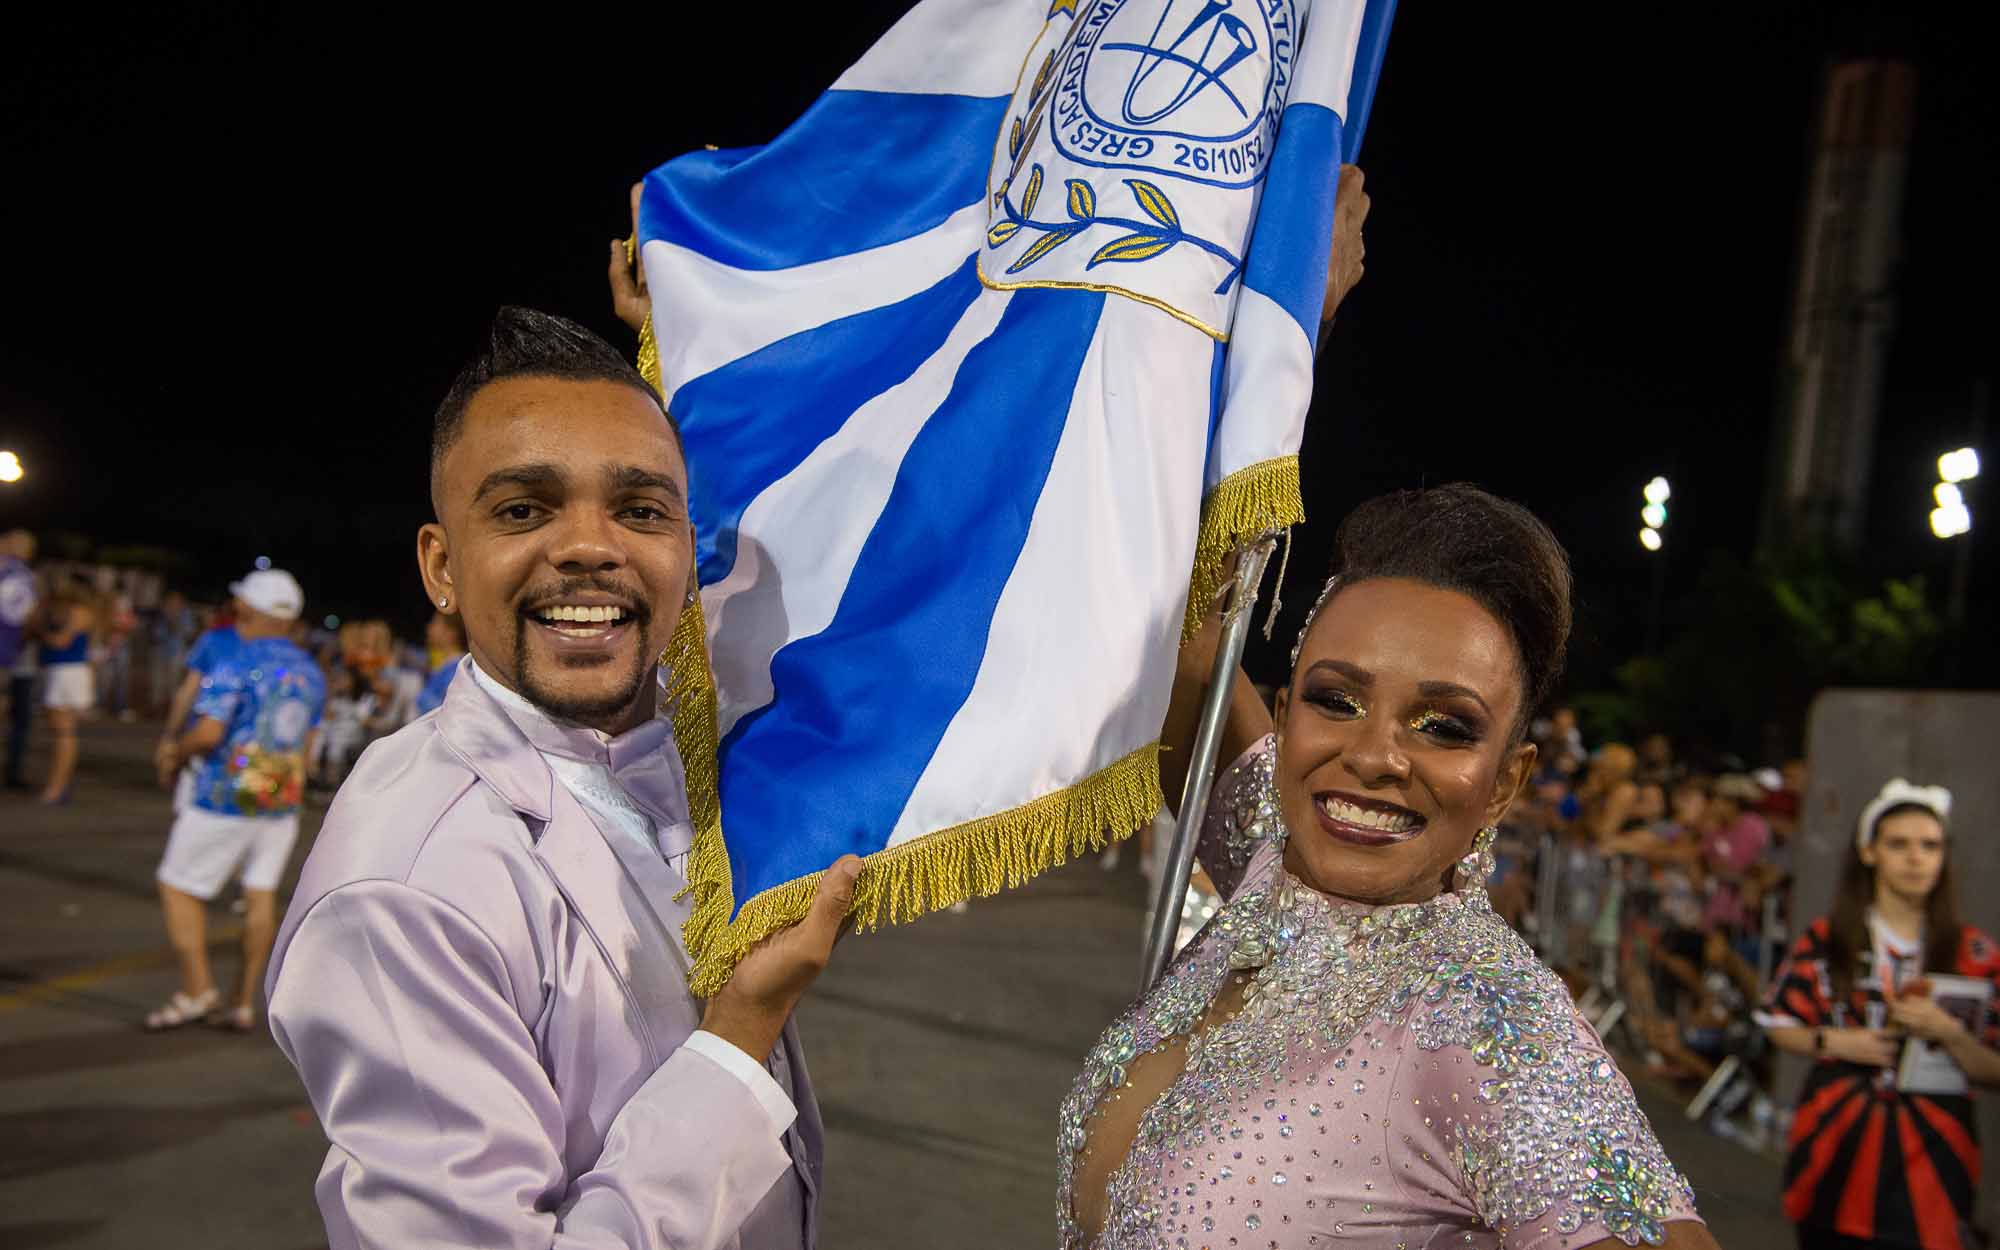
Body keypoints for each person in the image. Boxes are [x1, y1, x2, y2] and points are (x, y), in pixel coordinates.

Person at [265, 307, 860, 1249]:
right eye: (522, 509)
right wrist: (744, 1031)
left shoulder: (689, 753)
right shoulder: (406, 885)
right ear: (441, 566)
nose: (591, 546)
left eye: (641, 510)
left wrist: (702, 303)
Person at [1057, 485, 1713, 1249]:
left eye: (1444, 726)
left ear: (1506, 782)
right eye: (1336, 700)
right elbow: (1179, 631)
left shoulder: (1485, 1019)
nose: (1372, 757)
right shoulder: (1270, 869)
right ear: (1283, 717)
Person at [1756, 778, 2000, 1250]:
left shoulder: (1975, 953)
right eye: (1899, 844)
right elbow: (1778, 1021)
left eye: (1929, 846)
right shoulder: (1830, 939)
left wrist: (1949, 1033)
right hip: (1835, 1146)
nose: (1915, 858)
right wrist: (1835, 1042)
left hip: (1935, 1156)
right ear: (1869, 853)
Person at [145, 568, 325, 1031]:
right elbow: (306, 746)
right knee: (260, 892)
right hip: (280, 799)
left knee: (177, 885)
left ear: (248, 609)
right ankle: (244, 1002)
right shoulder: (311, 672)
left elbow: (207, 733)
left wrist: (174, 749)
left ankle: (197, 989)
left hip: (226, 797)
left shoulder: (237, 662)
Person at [36, 580, 95, 804]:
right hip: (62, 672)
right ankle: (58, 784)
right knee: (60, 731)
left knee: (64, 732)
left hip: (68, 673)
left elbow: (61, 641)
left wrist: (40, 631)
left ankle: (57, 787)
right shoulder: (72, 610)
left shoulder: (79, 612)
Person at [0, 529, 38, 790]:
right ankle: (13, 772)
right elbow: (29, 617)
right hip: (13, 655)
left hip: (11, 654)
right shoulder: (26, 577)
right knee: (19, 718)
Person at [413, 607, 468, 715]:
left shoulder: (458, 669)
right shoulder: (443, 666)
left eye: (435, 624)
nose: (429, 627)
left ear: (451, 633)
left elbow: (450, 711)